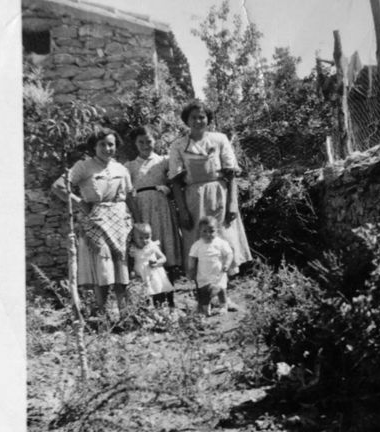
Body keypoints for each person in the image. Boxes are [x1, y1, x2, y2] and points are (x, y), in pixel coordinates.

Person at [52, 127, 140, 318]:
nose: (107, 148)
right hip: (96, 222)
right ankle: (103, 315)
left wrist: (138, 221)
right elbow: (58, 186)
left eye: (111, 144)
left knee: (121, 266)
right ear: (94, 146)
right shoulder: (84, 166)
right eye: (102, 144)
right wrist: (80, 203)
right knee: (102, 267)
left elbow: (130, 198)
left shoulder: (121, 169)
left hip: (120, 222)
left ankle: (125, 314)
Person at [168, 99, 252, 277]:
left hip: (219, 196)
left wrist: (232, 204)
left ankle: (223, 295)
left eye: (202, 117)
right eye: (193, 118)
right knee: (198, 245)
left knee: (223, 241)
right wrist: (182, 210)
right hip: (193, 199)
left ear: (208, 119)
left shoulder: (219, 139)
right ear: (186, 120)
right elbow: (175, 181)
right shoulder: (178, 145)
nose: (198, 121)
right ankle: (204, 298)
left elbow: (231, 174)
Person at [124, 126, 182, 277]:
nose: (145, 145)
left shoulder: (164, 161)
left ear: (155, 141)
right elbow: (125, 191)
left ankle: (169, 288)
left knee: (164, 243)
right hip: (141, 209)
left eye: (148, 141)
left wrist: (168, 188)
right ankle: (150, 291)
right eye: (140, 142)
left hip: (161, 207)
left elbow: (178, 176)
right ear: (135, 144)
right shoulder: (129, 166)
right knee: (145, 245)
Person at [187, 216, 234, 316]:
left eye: (212, 231)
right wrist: (191, 269)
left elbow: (229, 254)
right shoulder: (197, 245)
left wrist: (226, 264)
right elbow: (191, 257)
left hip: (218, 272)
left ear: (217, 230)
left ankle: (223, 306)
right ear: (200, 231)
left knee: (222, 289)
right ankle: (205, 309)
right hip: (203, 273)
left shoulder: (221, 243)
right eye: (204, 231)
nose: (208, 234)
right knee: (204, 291)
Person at [129, 222, 175, 308]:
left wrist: (157, 262)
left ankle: (161, 311)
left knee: (158, 292)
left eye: (147, 237)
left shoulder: (152, 246)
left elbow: (163, 258)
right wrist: (131, 271)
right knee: (143, 295)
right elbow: (131, 262)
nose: (144, 240)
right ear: (134, 238)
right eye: (141, 238)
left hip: (154, 275)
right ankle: (146, 314)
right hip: (141, 275)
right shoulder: (133, 249)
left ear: (151, 236)